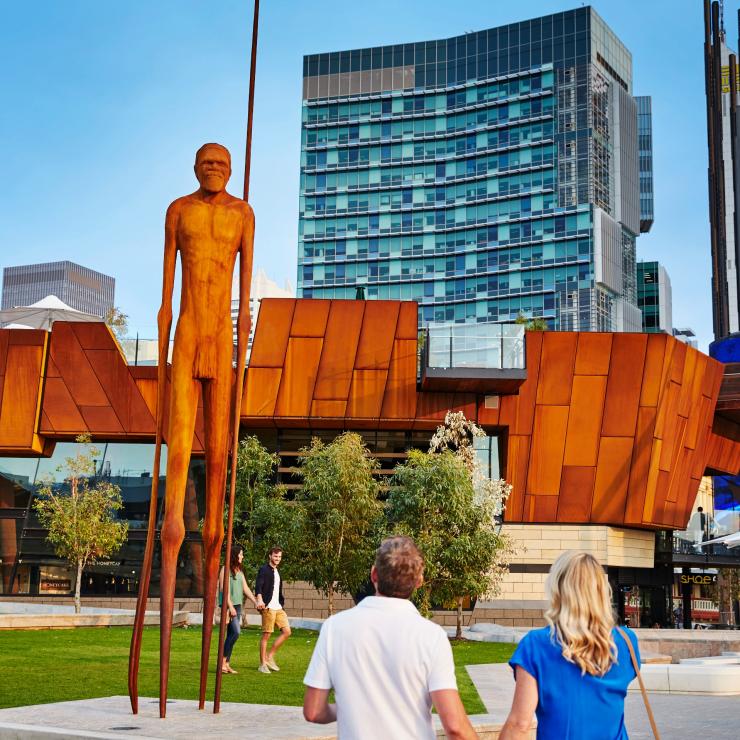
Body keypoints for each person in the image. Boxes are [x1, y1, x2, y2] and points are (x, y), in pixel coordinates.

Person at [303, 536, 476, 739]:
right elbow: (455, 727)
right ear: (419, 581)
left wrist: (348, 709)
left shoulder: (334, 627)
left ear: (374, 574)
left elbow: (313, 711)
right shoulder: (431, 636)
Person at [501, 551, 640, 739]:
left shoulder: (536, 645)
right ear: (600, 591)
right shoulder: (626, 641)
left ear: (558, 589)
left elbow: (520, 724)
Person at [218, 545, 258, 674]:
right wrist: (230, 607)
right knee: (236, 632)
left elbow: (245, 588)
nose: (242, 556)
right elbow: (224, 590)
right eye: (241, 554)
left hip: (237, 605)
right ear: (235, 555)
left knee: (232, 635)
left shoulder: (239, 570)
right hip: (227, 605)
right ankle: (222, 662)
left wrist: (256, 602)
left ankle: (226, 664)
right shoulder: (225, 569)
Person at [255, 546, 291, 673]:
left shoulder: (277, 572)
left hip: (278, 607)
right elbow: (258, 586)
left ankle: (269, 656)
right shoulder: (264, 570)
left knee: (287, 631)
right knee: (266, 635)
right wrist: (259, 600)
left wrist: (281, 603)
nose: (277, 559)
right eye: (275, 556)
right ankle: (262, 664)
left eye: (279, 557)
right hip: (268, 607)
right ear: (270, 556)